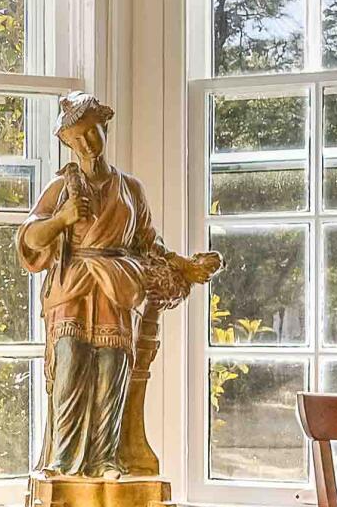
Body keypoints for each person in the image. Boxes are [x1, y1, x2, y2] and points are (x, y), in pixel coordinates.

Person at [15, 92, 215, 478]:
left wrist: (184, 265)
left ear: (104, 127)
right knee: (70, 365)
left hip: (117, 287)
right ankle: (63, 461)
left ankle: (107, 458)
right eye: (76, 139)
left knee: (113, 371)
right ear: (67, 144)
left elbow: (148, 243)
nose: (86, 144)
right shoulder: (61, 190)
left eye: (91, 133)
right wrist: (64, 219)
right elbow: (29, 241)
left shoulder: (131, 189)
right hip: (71, 289)